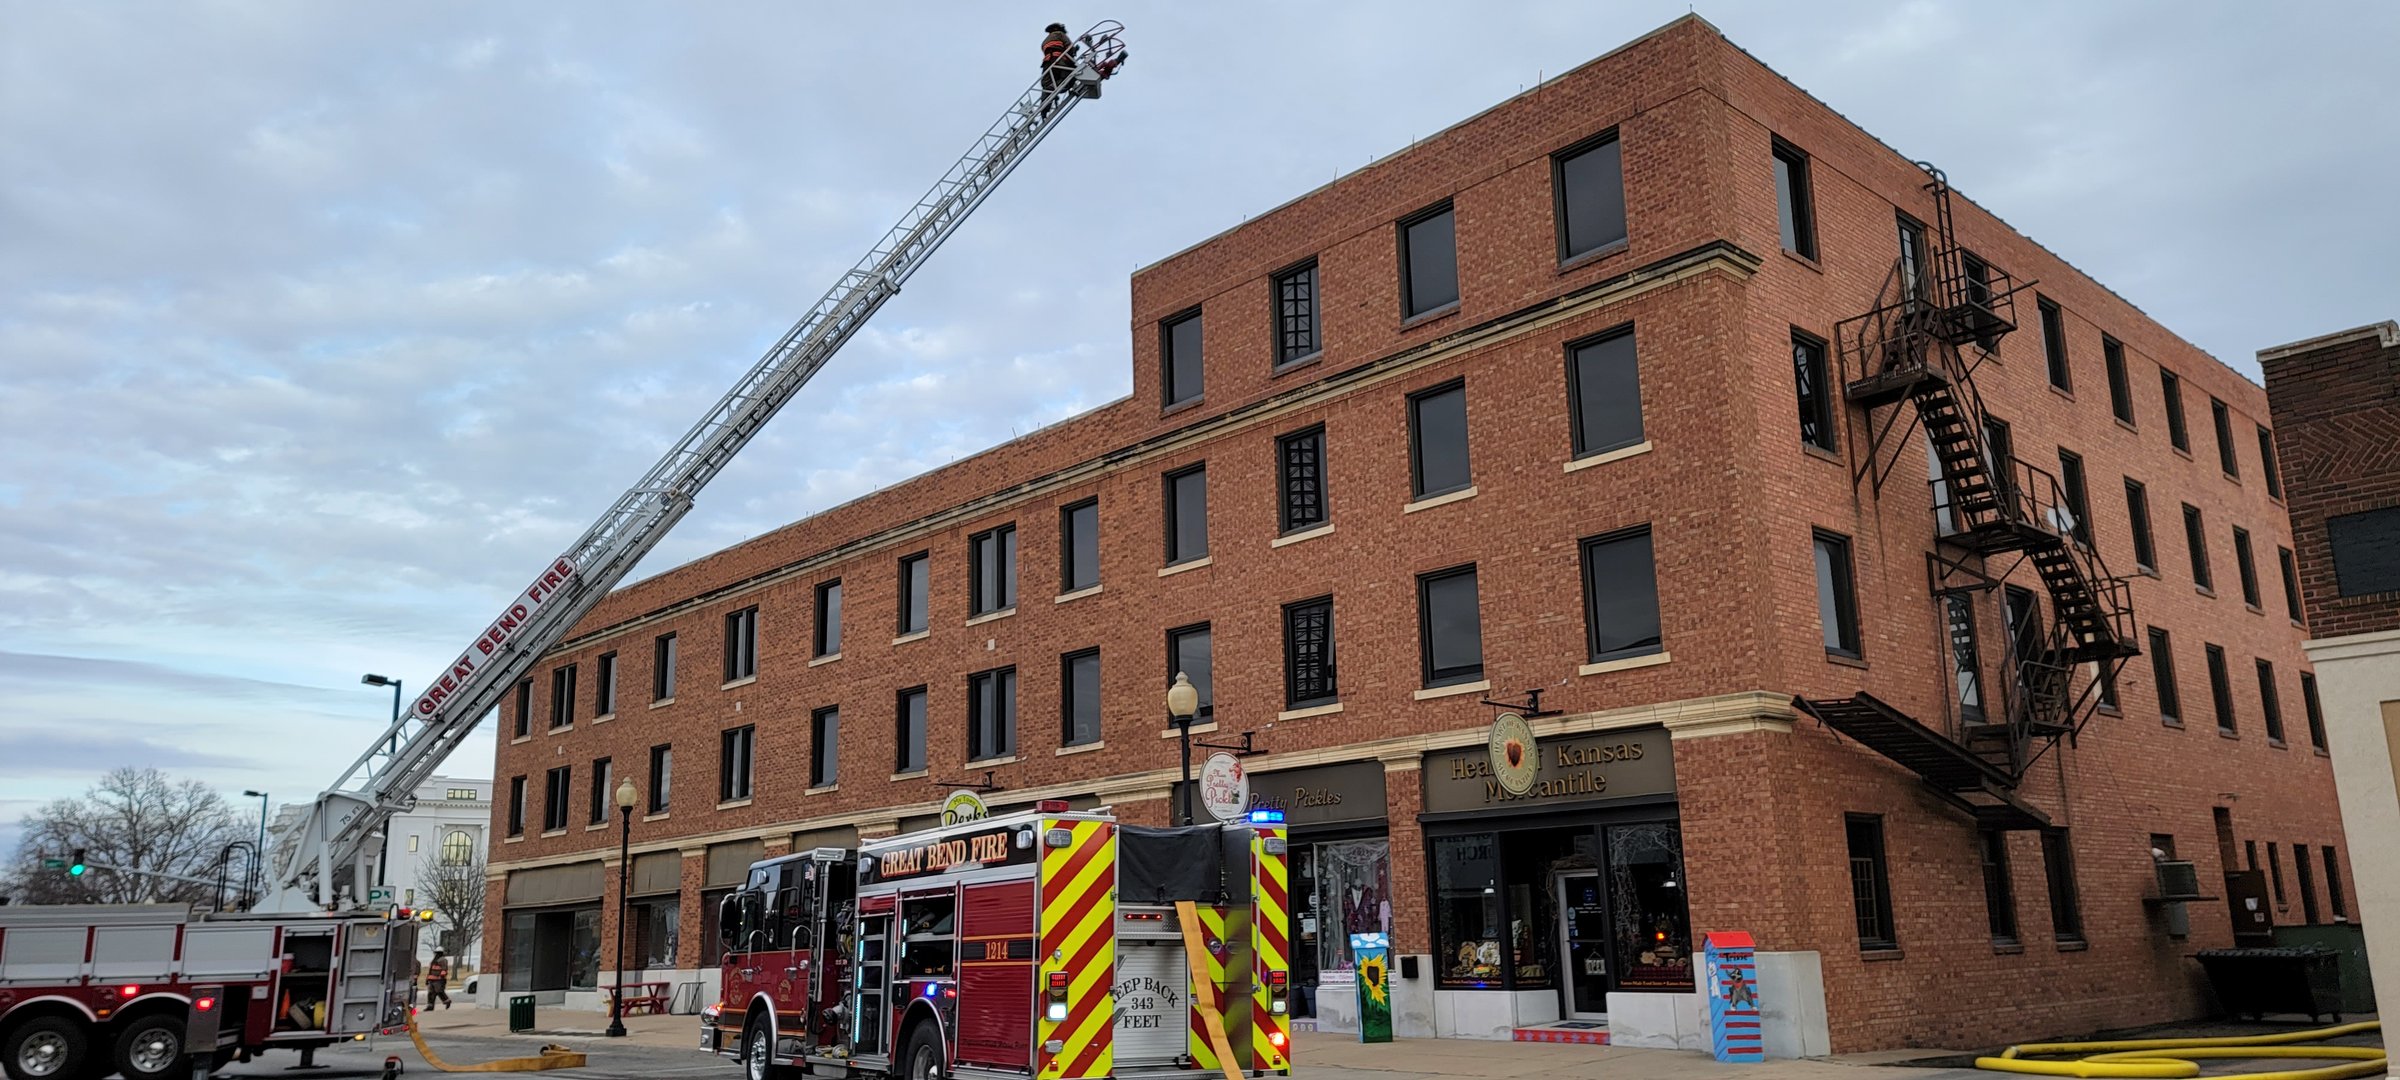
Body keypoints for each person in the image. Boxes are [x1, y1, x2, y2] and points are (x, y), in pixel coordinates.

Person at [1040, 23, 1075, 94]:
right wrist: (1072, 58)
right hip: (1059, 61)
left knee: (1046, 85)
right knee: (1071, 75)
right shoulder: (1060, 34)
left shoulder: (1044, 41)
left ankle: (1045, 102)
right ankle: (1054, 86)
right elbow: (1069, 47)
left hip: (1047, 63)